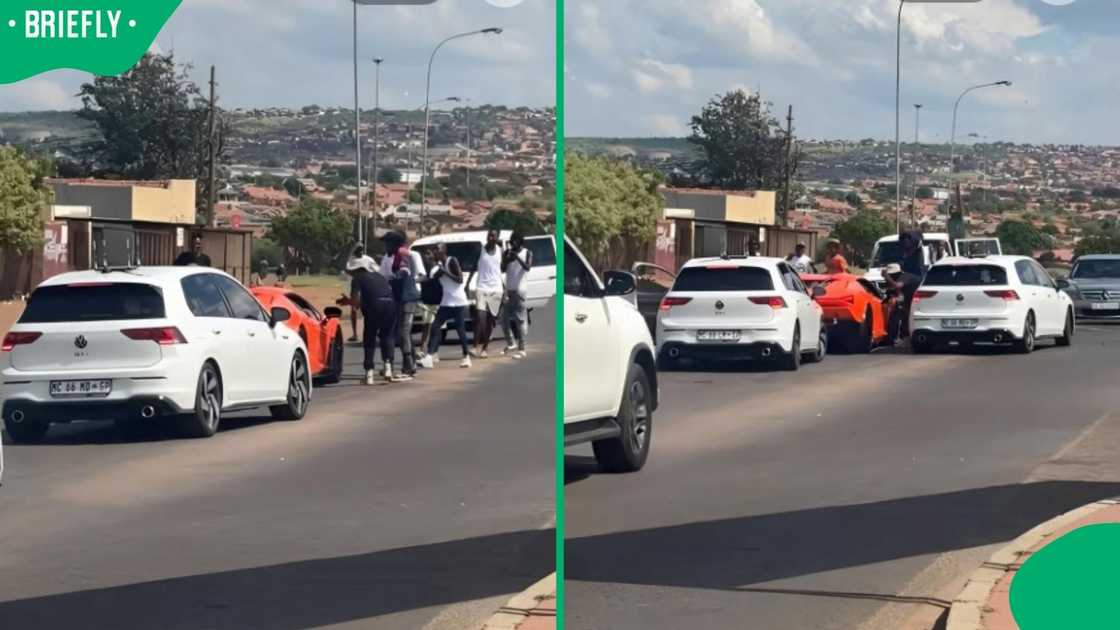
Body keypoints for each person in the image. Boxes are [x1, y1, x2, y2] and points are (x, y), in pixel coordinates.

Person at [339, 256, 398, 384]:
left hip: (374, 307)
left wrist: (348, 302)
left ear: (356, 269)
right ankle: (388, 368)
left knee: (369, 337)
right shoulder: (379, 277)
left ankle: (369, 373)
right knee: (387, 336)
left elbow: (356, 302)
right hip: (391, 305)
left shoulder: (357, 279)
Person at [419, 243, 472, 369]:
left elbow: (460, 279)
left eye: (437, 249)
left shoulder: (451, 261)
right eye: (434, 250)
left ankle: (466, 357)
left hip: (458, 301)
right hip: (446, 302)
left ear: (443, 251)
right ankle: (429, 357)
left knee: (460, 330)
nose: (435, 252)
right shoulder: (439, 267)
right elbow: (432, 278)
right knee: (435, 326)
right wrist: (418, 280)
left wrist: (446, 272)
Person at [472, 229, 504, 358]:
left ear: (497, 238)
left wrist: (505, 289)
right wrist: (468, 282)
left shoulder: (501, 251)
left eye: (493, 236)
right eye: (489, 235)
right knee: (480, 318)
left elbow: (502, 270)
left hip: (496, 289)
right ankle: (474, 347)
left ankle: (485, 348)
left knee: (490, 321)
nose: (490, 237)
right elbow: (474, 267)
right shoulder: (480, 250)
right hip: (481, 288)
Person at [501, 231, 533, 359]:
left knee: (519, 321)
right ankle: (511, 343)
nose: (511, 244)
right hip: (509, 291)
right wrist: (507, 259)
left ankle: (522, 348)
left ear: (519, 242)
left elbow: (527, 267)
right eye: (510, 242)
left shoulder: (527, 253)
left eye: (514, 242)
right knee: (503, 320)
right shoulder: (507, 252)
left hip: (520, 291)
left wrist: (517, 257)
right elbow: (502, 269)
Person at [882, 262, 923, 346]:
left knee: (900, 312)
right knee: (902, 311)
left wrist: (886, 276)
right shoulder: (900, 278)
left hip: (920, 299)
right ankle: (905, 336)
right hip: (910, 299)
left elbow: (897, 286)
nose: (889, 278)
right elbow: (900, 293)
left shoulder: (905, 277)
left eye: (891, 275)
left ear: (896, 274)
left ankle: (901, 337)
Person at [345, 245, 366, 343]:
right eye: (358, 251)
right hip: (356, 287)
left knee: (366, 311)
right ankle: (355, 334)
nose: (360, 253)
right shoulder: (351, 261)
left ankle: (366, 334)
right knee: (354, 311)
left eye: (361, 251)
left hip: (365, 286)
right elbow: (347, 270)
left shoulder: (367, 259)